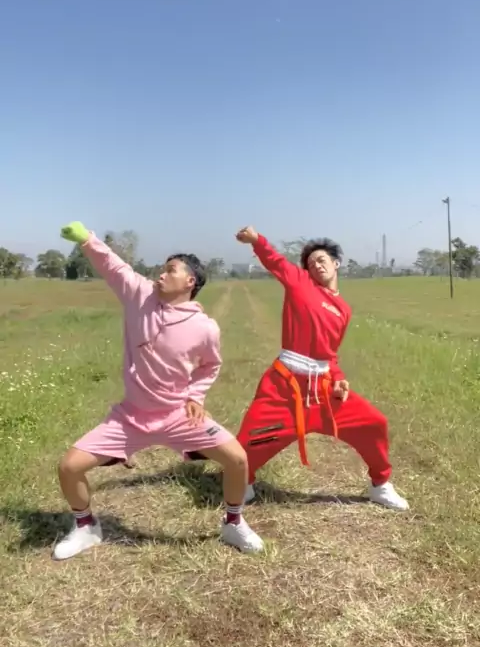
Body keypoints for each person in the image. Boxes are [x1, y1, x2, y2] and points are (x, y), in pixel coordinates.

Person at [53, 221, 264, 560]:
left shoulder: (205, 328)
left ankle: (233, 523)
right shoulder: (139, 295)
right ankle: (86, 527)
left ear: (190, 281)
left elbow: (210, 365)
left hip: (179, 416)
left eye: (171, 270)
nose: (161, 274)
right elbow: (114, 266)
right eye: (162, 269)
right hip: (131, 417)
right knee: (69, 466)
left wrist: (196, 396)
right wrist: (87, 239)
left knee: (237, 459)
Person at [235, 227, 409, 511]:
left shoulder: (344, 310)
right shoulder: (300, 282)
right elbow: (275, 261)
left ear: (336, 263)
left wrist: (338, 379)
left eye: (321, 259)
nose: (316, 265)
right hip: (284, 385)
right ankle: (243, 483)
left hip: (323, 389)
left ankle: (380, 485)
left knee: (374, 424)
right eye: (311, 262)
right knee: (249, 439)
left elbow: (331, 354)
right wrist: (257, 241)